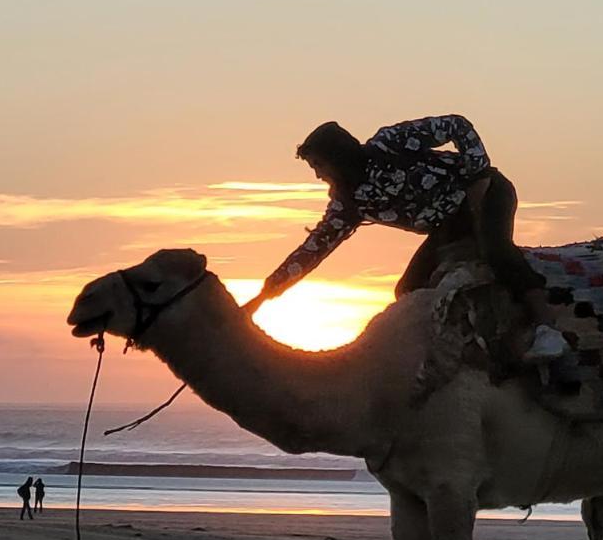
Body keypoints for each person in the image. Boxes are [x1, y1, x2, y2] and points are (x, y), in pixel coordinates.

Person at [243, 116, 568, 361]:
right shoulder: (349, 203)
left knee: (495, 250)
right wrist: (265, 295)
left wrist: (477, 174)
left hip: (486, 193)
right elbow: (312, 251)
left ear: (337, 156)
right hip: (448, 225)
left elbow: (457, 125)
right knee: (407, 291)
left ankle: (547, 328)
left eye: (319, 164)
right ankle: (454, 352)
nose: (318, 174)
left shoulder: (391, 142)